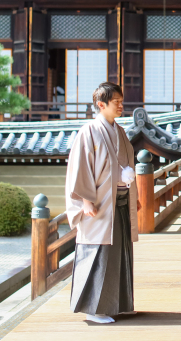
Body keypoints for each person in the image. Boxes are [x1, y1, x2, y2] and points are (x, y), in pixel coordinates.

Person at [65, 82, 141, 323]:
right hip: (98, 205)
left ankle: (114, 304)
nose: (121, 105)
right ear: (101, 104)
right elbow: (80, 168)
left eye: (121, 101)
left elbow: (123, 165)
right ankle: (93, 309)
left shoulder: (118, 131)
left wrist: (133, 197)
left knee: (117, 252)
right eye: (116, 102)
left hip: (118, 201)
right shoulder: (89, 131)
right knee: (97, 253)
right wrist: (85, 200)